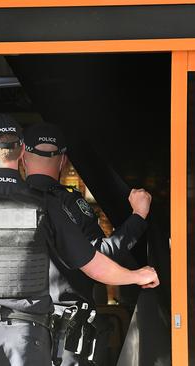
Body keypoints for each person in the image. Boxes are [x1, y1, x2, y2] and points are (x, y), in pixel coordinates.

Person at [0, 113, 159, 366]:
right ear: (20, 153)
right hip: (30, 339)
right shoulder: (46, 205)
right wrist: (137, 276)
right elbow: (93, 264)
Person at [22, 122, 152, 365]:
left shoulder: (5, 203)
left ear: (23, 156)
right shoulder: (68, 204)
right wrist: (138, 217)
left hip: (15, 333)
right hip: (63, 335)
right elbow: (100, 257)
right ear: (62, 161)